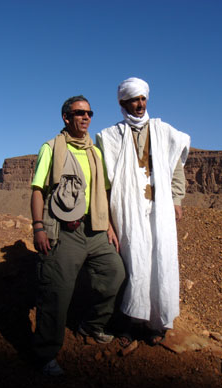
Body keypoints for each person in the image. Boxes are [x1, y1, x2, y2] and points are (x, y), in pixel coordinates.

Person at [31, 95, 125, 376]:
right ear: (66, 117)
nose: (86, 117)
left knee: (114, 273)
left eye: (89, 113)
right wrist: (38, 227)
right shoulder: (51, 148)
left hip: (95, 229)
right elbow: (38, 189)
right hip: (64, 231)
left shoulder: (95, 152)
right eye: (79, 113)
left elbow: (103, 191)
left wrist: (108, 223)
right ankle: (45, 354)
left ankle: (92, 325)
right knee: (56, 293)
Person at [96, 78, 190, 346]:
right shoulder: (110, 136)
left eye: (143, 99)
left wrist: (177, 199)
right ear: (123, 103)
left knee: (161, 261)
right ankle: (128, 321)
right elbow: (103, 179)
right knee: (133, 262)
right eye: (134, 100)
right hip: (126, 208)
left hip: (159, 208)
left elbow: (175, 169)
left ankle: (157, 323)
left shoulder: (163, 131)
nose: (140, 105)